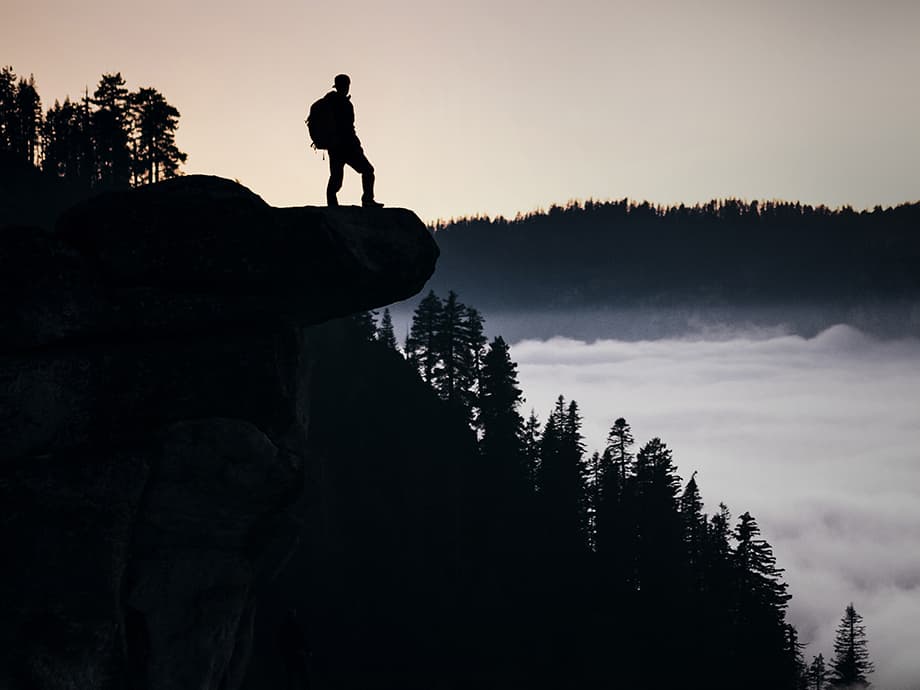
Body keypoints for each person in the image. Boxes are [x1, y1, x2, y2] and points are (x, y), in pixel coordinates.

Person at [323, 74, 381, 208]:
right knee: (368, 170)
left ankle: (332, 206)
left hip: (334, 147)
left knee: (336, 179)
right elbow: (348, 128)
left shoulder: (329, 101)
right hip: (347, 147)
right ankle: (367, 200)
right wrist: (356, 145)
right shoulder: (344, 104)